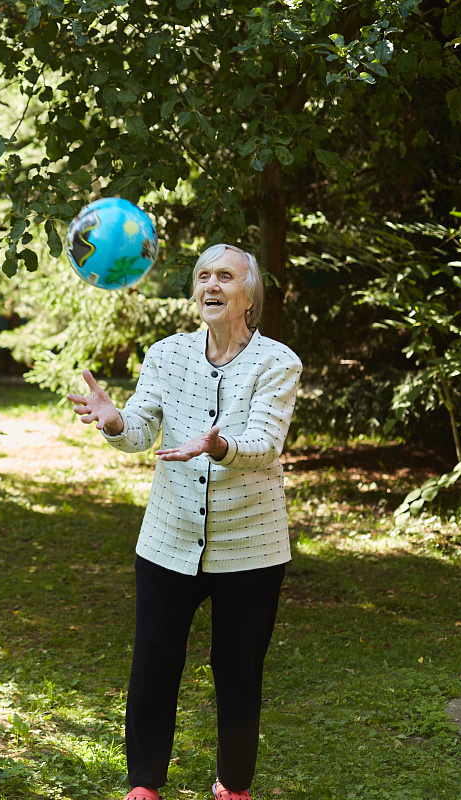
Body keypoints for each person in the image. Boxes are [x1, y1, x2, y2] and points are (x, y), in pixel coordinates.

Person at [67, 244, 301, 800]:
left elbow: (265, 444)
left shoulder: (277, 362)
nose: (211, 284)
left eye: (225, 275)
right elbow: (142, 429)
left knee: (238, 672)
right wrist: (115, 420)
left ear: (250, 295)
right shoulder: (166, 354)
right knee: (153, 664)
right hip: (168, 540)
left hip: (251, 547)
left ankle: (234, 786)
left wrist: (219, 445)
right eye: (203, 276)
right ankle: (145, 784)